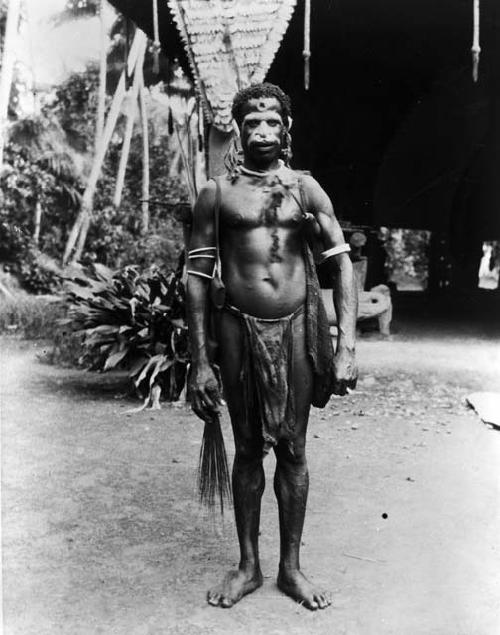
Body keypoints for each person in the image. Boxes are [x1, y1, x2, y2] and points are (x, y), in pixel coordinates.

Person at [186, 83, 358, 610]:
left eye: (272, 121)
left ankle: (291, 568)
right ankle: (247, 566)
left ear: (287, 128)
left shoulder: (306, 190)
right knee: (245, 451)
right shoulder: (218, 193)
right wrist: (200, 361)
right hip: (238, 330)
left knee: (294, 449)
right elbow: (195, 275)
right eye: (253, 122)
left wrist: (346, 344)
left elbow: (341, 263)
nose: (263, 131)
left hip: (298, 330)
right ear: (239, 128)